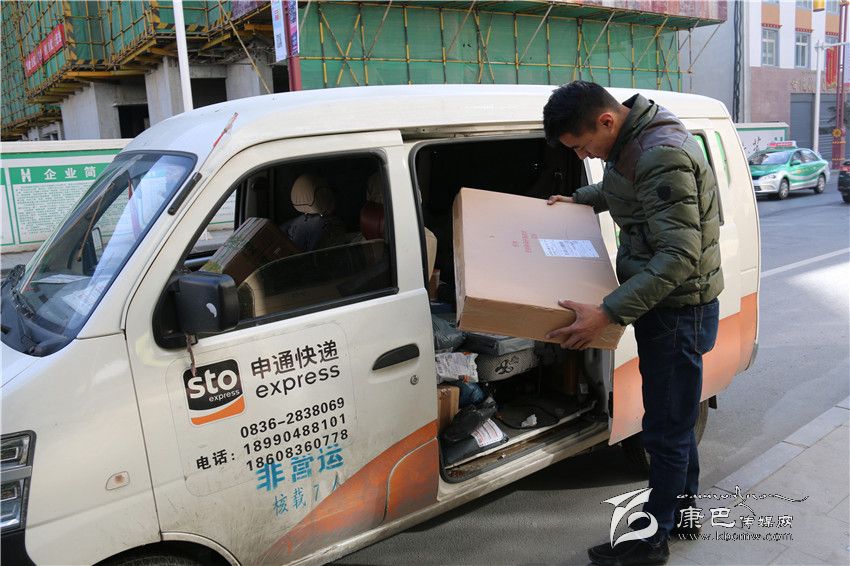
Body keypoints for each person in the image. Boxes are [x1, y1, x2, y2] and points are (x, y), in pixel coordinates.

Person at [542, 81, 723, 566]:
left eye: (582, 146)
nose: (583, 154)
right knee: (675, 420)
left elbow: (679, 255)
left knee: (664, 428)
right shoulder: (633, 139)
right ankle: (683, 516)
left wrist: (608, 312)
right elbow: (622, 187)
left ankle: (652, 539)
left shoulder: (660, 153)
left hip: (676, 311)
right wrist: (580, 198)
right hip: (665, 306)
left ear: (606, 120)